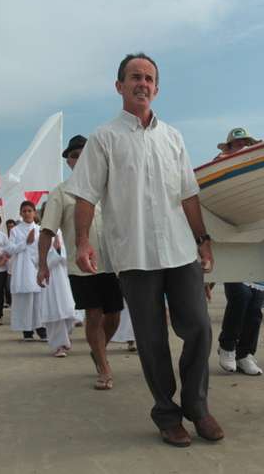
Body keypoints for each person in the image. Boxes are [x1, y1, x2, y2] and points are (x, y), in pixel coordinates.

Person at [68, 53, 223, 447]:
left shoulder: (172, 137)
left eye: (149, 78)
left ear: (156, 88)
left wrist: (203, 239)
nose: (142, 83)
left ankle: (197, 406)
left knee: (199, 328)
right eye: (134, 77)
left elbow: (188, 194)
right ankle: (167, 414)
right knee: (152, 340)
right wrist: (83, 240)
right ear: (119, 86)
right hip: (134, 254)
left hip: (180, 249)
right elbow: (85, 195)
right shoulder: (104, 138)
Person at [38, 134, 122, 389]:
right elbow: (47, 231)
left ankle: (99, 351)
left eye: (85, 153)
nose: (81, 158)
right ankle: (104, 367)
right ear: (69, 161)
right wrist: (42, 265)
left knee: (114, 316)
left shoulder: (110, 187)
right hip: (82, 266)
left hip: (112, 262)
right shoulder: (61, 193)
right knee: (94, 315)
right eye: (75, 155)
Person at [212, 127, 264, 376]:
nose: (242, 148)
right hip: (230, 243)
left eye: (246, 144)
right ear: (228, 148)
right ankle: (227, 346)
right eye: (236, 145)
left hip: (254, 242)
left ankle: (246, 353)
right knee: (240, 296)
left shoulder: (259, 174)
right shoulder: (220, 165)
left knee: (256, 302)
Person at [4, 201, 46, 341]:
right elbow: (9, 249)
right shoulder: (15, 230)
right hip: (23, 269)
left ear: (35, 212)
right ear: (21, 213)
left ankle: (40, 328)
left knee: (38, 300)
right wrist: (25, 243)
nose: (27, 213)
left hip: (37, 268)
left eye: (30, 210)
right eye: (24, 211)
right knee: (25, 301)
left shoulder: (40, 229)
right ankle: (27, 330)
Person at [39, 229, 78, 357]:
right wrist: (55, 252)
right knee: (54, 312)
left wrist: (59, 250)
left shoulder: (64, 231)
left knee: (68, 311)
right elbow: (37, 260)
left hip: (64, 278)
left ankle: (65, 338)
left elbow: (70, 256)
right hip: (50, 280)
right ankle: (59, 345)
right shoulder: (40, 235)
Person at [4, 219, 16, 308]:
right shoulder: (4, 238)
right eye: (9, 227)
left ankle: (14, 302)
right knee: (7, 287)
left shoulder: (17, 237)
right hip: (5, 265)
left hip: (15, 265)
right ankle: (8, 301)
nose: (10, 228)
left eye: (12, 226)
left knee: (13, 286)